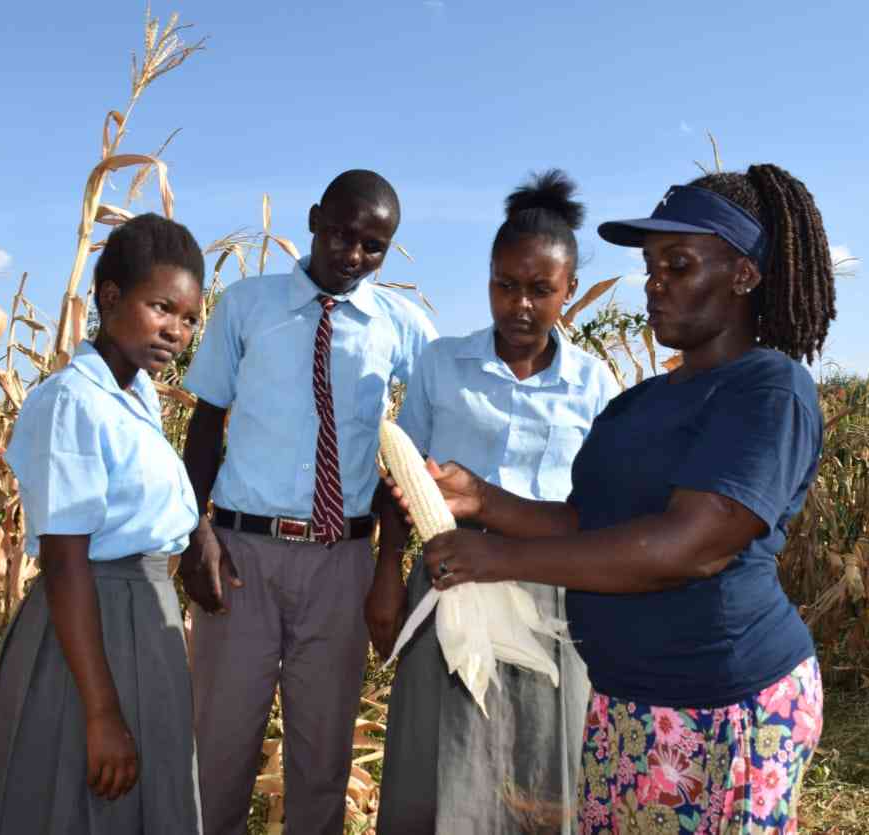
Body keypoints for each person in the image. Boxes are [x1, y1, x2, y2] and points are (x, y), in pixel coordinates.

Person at [396, 164, 835, 834]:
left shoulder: (767, 391)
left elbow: (689, 547)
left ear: (744, 275)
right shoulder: (638, 403)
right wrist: (480, 498)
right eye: (651, 267)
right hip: (625, 702)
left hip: (723, 701)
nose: (654, 284)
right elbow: (586, 521)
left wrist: (499, 557)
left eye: (678, 265)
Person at [177, 169, 437, 835]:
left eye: (374, 246)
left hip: (340, 563)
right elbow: (205, 423)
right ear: (316, 219)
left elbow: (424, 436)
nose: (354, 255)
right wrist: (192, 532)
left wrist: (392, 551)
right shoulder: (247, 306)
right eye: (343, 234)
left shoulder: (401, 326)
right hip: (241, 555)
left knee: (322, 758)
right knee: (218, 749)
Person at [373, 170, 620, 834]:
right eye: (504, 285)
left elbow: (603, 509)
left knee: (541, 758)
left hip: (551, 592)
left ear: (569, 289)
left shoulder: (593, 385)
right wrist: (387, 575)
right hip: (448, 582)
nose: (520, 305)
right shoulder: (441, 365)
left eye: (541, 289)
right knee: (441, 755)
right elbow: (399, 483)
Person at [0, 213, 206, 834]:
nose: (176, 330)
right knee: (74, 807)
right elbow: (65, 559)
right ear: (110, 297)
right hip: (90, 634)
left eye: (188, 319)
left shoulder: (136, 398)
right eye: (161, 308)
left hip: (140, 622)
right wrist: (100, 711)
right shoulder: (73, 400)